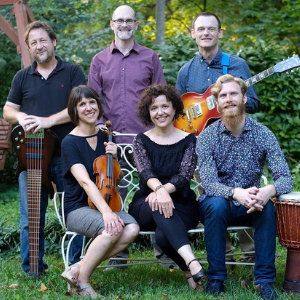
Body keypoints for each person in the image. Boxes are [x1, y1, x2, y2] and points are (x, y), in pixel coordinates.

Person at [196, 74, 293, 299]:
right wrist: (235, 193)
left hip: (251, 203)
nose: (228, 99)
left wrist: (268, 191)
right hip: (216, 205)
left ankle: (264, 281)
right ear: (217, 103)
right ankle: (217, 278)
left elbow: (285, 178)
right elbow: (209, 184)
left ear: (244, 98)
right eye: (223, 96)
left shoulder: (263, 133)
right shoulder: (207, 136)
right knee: (218, 204)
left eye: (233, 94)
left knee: (266, 206)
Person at [3, 21, 86, 275]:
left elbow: (79, 106)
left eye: (43, 40)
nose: (39, 46)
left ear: (54, 42)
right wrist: (20, 118)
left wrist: (48, 121)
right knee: (31, 218)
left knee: (74, 213)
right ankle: (33, 268)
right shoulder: (22, 77)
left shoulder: (72, 71)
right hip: (32, 155)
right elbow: (8, 110)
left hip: (67, 155)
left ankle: (77, 266)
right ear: (29, 48)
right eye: (33, 43)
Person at [176, 11, 259, 262]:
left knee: (244, 193)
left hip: (238, 141)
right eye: (200, 29)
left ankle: (249, 254)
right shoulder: (186, 71)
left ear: (220, 33)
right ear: (193, 34)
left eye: (211, 29)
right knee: (212, 198)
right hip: (205, 146)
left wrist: (227, 103)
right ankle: (224, 255)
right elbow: (181, 114)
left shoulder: (237, 65)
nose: (206, 33)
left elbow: (253, 102)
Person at [88, 4, 167, 266]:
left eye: (129, 21)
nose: (124, 25)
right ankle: (118, 251)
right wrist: (99, 124)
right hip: (112, 140)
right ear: (112, 24)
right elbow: (91, 100)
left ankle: (164, 249)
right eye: (119, 21)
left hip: (146, 138)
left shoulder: (150, 57)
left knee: (154, 190)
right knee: (114, 194)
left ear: (136, 25)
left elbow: (161, 97)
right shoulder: (99, 60)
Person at [60, 85, 139, 298]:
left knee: (132, 229)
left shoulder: (106, 135)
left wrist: (115, 157)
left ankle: (77, 268)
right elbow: (86, 182)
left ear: (98, 105)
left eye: (92, 102)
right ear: (74, 110)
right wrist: (107, 213)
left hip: (106, 202)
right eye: (82, 104)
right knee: (111, 229)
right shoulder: (69, 142)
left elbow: (113, 177)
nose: (88, 108)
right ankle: (83, 284)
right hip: (78, 208)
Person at [128, 84, 206, 291]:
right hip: (145, 203)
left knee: (163, 237)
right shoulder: (141, 140)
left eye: (165, 106)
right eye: (154, 108)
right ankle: (193, 261)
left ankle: (190, 273)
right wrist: (159, 192)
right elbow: (145, 173)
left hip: (182, 203)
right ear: (148, 112)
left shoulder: (189, 140)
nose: (160, 112)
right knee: (157, 204)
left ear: (174, 109)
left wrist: (162, 193)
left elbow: (184, 176)